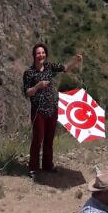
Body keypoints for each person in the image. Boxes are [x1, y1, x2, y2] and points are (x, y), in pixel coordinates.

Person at [22, 43, 82, 176]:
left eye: (43, 53)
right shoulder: (29, 73)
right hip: (38, 111)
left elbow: (65, 68)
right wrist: (38, 86)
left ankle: (48, 165)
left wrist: (75, 62)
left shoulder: (49, 67)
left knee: (49, 139)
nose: (41, 55)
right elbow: (27, 93)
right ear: (34, 55)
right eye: (38, 53)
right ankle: (33, 168)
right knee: (38, 139)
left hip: (52, 109)